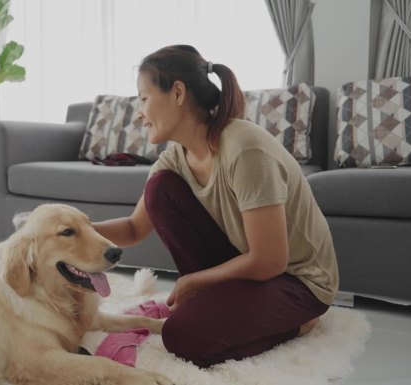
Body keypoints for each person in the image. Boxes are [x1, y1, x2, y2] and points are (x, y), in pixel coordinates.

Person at [92, 45, 339, 368]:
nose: (139, 113)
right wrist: (64, 226)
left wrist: (198, 281)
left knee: (182, 338)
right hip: (251, 266)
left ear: (177, 92)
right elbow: (134, 227)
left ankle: (299, 324)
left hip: (299, 281)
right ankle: (219, 305)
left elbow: (271, 260)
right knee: (159, 189)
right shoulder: (174, 159)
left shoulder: (244, 149)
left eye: (143, 98)